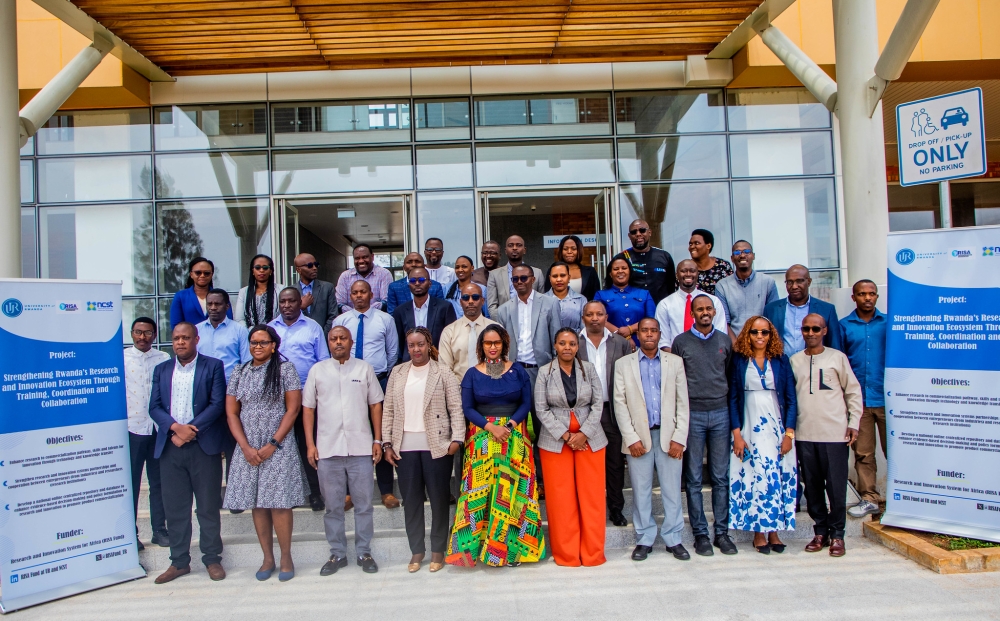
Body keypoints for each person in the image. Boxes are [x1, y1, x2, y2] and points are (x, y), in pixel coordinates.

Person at [446, 325, 546, 566]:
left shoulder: (518, 371)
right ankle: (475, 552)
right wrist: (491, 427)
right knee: (478, 493)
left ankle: (513, 553)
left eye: (497, 342)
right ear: (481, 346)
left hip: (514, 438)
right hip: (482, 439)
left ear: (504, 344)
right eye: (488, 343)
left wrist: (508, 426)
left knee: (515, 494)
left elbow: (526, 403)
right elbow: (467, 408)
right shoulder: (472, 374)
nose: (492, 347)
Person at [223, 325, 306, 582]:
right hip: (248, 446)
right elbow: (232, 412)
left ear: (273, 345)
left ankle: (286, 557)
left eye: (263, 342)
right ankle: (267, 558)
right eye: (253, 342)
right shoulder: (239, 371)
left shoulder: (285, 369)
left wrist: (273, 443)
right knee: (258, 503)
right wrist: (245, 447)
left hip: (278, 445)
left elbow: (293, 409)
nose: (257, 346)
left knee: (279, 503)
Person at [148, 323, 228, 584]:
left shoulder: (212, 366)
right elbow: (154, 407)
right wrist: (175, 428)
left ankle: (212, 558)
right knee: (175, 509)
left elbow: (217, 404)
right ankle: (179, 562)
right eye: (176, 338)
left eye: (185, 338)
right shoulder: (161, 370)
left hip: (203, 447)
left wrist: (190, 430)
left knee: (207, 506)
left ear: (196, 339)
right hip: (171, 447)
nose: (180, 342)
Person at [302, 326, 385, 575]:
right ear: (328, 342)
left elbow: (375, 405)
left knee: (364, 505)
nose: (338, 342)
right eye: (333, 339)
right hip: (327, 449)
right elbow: (308, 409)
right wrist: (310, 444)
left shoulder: (364, 368)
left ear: (351, 342)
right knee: (333, 507)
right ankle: (337, 554)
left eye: (343, 338)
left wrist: (377, 440)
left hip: (361, 447)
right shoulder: (317, 370)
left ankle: (364, 552)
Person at [381, 327, 465, 573]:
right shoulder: (397, 372)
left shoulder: (443, 372)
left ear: (429, 345)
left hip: (437, 446)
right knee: (412, 502)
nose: (416, 349)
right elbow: (388, 410)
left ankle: (438, 550)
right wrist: (387, 443)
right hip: (404, 447)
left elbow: (456, 408)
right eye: (411, 345)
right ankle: (417, 551)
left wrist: (457, 439)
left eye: (420, 344)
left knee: (439, 500)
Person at [613, 317, 690, 562]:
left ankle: (673, 538)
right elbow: (620, 404)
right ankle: (644, 538)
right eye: (644, 330)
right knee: (641, 491)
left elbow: (682, 402)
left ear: (659, 334)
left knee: (672, 491)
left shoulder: (674, 362)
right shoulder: (623, 364)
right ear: (638, 335)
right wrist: (631, 438)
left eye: (653, 330)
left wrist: (679, 438)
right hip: (639, 439)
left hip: (669, 437)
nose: (648, 334)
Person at [790, 314, 863, 558]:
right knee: (812, 488)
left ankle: (838, 534)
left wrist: (853, 423)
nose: (810, 333)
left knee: (836, 487)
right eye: (806, 329)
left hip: (835, 434)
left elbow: (853, 392)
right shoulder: (794, 361)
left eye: (815, 329)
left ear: (824, 331)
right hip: (805, 434)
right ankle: (820, 531)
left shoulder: (837, 358)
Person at [670, 295, 737, 556]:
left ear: (714, 312)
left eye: (709, 308)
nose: (705, 312)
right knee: (694, 478)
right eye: (700, 309)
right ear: (692, 313)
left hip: (721, 413)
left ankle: (721, 533)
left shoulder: (724, 340)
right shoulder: (680, 342)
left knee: (720, 477)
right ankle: (700, 534)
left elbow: (728, 374)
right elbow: (677, 380)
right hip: (693, 414)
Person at [534, 328, 607, 567]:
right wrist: (566, 435)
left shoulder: (589, 369)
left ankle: (593, 554)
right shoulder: (545, 372)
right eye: (563, 343)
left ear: (577, 346)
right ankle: (567, 555)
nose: (567, 347)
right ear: (555, 346)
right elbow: (541, 408)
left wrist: (584, 434)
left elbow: (598, 404)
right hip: (555, 441)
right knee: (561, 499)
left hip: (590, 438)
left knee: (592, 497)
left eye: (572, 344)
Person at [728, 316, 798, 554]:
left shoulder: (780, 360)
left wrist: (789, 434)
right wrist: (737, 434)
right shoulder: (739, 360)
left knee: (776, 478)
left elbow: (791, 398)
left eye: (764, 332)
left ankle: (774, 531)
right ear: (747, 334)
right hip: (749, 429)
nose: (760, 336)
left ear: (771, 335)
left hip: (776, 429)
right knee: (754, 477)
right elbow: (733, 398)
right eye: (755, 332)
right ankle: (759, 533)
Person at [332, 280, 400, 508]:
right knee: (351, 434)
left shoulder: (385, 319)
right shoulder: (341, 321)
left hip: (378, 380)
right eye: (355, 292)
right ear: (350, 296)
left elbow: (392, 352)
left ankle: (386, 491)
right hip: (348, 381)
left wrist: (381, 375)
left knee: (381, 434)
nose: (359, 296)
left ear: (371, 294)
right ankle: (349, 493)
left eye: (363, 292)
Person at [495, 263, 562, 486]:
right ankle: (523, 478)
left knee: (544, 425)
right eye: (515, 279)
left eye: (524, 278)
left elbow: (557, 341)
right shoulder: (504, 309)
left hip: (541, 371)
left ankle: (546, 478)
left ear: (533, 279)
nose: (519, 282)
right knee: (517, 426)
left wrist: (554, 373)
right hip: (514, 373)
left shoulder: (550, 303)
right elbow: (501, 348)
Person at [266, 287, 330, 512]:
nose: (286, 305)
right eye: (282, 301)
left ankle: (315, 492)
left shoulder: (313, 327)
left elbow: (323, 362)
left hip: (306, 398)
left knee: (307, 444)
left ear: (299, 302)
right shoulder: (270, 329)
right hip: (277, 398)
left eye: (291, 301)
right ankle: (286, 493)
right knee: (281, 447)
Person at [438, 282, 500, 499]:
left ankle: (489, 498)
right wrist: (457, 398)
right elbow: (445, 370)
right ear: (460, 301)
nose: (470, 302)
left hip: (490, 399)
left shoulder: (495, 328)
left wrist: (491, 392)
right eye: (466, 297)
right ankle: (462, 499)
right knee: (461, 449)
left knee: (490, 447)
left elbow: (500, 363)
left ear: (483, 300)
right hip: (459, 398)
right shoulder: (450, 331)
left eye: (475, 297)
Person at [576, 300, 633, 527]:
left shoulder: (620, 343)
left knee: (615, 463)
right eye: (590, 314)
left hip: (612, 411)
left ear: (606, 317)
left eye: (599, 314)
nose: (595, 318)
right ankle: (590, 509)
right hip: (585, 412)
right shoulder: (574, 342)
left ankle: (616, 509)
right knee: (587, 464)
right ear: (583, 317)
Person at [841, 280, 887, 519]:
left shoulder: (889, 323)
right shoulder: (844, 326)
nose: (867, 298)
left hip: (888, 400)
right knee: (864, 454)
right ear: (854, 297)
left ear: (877, 296)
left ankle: (903, 498)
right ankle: (870, 498)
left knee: (896, 452)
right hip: (859, 401)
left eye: (871, 294)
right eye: (862, 294)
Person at [124, 317, 171, 551]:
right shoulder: (121, 359)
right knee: (131, 484)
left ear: (155, 334)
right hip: (132, 429)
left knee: (159, 483)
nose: (142, 337)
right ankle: (130, 533)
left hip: (157, 429)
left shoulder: (164, 358)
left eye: (147, 332)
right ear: (132, 333)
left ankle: (159, 530)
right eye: (138, 332)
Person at [763, 264, 843, 356]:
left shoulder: (827, 310)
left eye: (799, 281)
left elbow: (835, 346)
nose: (794, 286)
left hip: (815, 363)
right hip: (781, 363)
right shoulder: (771, 309)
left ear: (809, 282)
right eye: (790, 282)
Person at [655, 259, 727, 351]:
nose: (688, 274)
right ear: (677, 275)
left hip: (710, 354)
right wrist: (677, 358)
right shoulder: (665, 304)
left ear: (697, 274)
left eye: (692, 271)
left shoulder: (713, 301)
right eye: (683, 271)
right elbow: (663, 341)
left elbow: (721, 334)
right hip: (675, 356)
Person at [715, 241, 779, 338]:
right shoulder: (722, 286)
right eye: (737, 252)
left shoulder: (768, 282)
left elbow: (773, 318)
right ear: (732, 258)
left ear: (753, 256)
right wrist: (735, 345)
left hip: (762, 341)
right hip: (735, 342)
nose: (742, 255)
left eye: (747, 251)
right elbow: (724, 322)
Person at [392, 266, 456, 363]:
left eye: (421, 280)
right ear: (409, 285)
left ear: (430, 283)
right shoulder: (400, 311)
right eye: (413, 280)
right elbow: (400, 341)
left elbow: (451, 337)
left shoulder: (445, 307)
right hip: (410, 363)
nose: (417, 283)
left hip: (438, 361)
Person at [609, 218, 676, 304]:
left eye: (642, 230)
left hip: (660, 308)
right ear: (629, 236)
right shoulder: (621, 258)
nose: (638, 234)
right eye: (634, 232)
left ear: (649, 232)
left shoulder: (664, 256)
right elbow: (611, 286)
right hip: (632, 307)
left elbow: (671, 286)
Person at [593, 257, 655, 346]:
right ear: (610, 274)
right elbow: (597, 319)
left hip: (641, 344)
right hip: (611, 344)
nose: (620, 271)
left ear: (630, 272)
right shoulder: (600, 295)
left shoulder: (644, 294)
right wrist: (622, 335)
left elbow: (651, 320)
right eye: (616, 269)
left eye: (624, 268)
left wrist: (630, 329)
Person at [196, 289, 251, 382]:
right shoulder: (196, 330)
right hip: (202, 384)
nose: (213, 307)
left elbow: (247, 363)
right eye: (209, 304)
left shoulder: (240, 330)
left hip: (230, 385)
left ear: (227, 306)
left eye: (217, 304)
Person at [486, 235, 544, 315]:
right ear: (505, 251)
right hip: (504, 320)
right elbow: (492, 307)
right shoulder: (494, 275)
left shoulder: (537, 273)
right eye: (510, 245)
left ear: (524, 250)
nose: (514, 248)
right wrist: (502, 322)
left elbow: (542, 302)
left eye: (518, 245)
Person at [170, 257, 230, 328]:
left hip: (219, 334)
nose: (202, 275)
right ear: (191, 274)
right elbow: (176, 326)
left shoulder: (221, 296)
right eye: (198, 273)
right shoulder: (180, 296)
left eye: (206, 273)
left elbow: (229, 321)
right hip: (190, 335)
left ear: (212, 274)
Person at [336, 243, 393, 312]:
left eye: (365, 257)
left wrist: (366, 312)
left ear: (372, 257)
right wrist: (355, 314)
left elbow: (386, 301)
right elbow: (339, 303)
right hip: (350, 317)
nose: (361, 261)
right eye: (357, 258)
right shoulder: (345, 276)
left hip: (377, 316)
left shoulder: (384, 274)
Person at [235, 254, 285, 329]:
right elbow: (239, 319)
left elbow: (284, 316)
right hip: (250, 333)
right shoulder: (244, 292)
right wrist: (251, 332)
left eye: (265, 267)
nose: (261, 270)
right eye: (257, 267)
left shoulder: (281, 289)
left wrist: (269, 332)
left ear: (271, 271)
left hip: (275, 331)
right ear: (253, 271)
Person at [543, 235, 601, 300]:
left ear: (579, 250)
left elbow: (596, 296)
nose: (569, 252)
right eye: (565, 249)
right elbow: (547, 294)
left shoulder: (590, 272)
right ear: (561, 251)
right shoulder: (553, 270)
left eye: (573, 249)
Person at [294, 253, 339, 334]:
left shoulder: (327, 288)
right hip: (298, 336)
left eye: (316, 264)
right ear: (298, 270)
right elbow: (287, 316)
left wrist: (322, 336)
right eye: (310, 265)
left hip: (322, 336)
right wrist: (301, 307)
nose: (314, 268)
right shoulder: (291, 291)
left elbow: (333, 315)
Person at [686, 229, 733, 296]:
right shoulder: (685, 269)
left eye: (696, 243)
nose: (692, 247)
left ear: (708, 246)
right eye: (690, 244)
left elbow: (732, 291)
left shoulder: (723, 266)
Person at [545, 261, 587, 332]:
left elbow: (584, 329)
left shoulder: (581, 300)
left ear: (569, 277)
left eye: (562, 275)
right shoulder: (542, 300)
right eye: (555, 276)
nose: (559, 279)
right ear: (550, 278)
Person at [444, 255, 489, 319]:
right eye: (457, 267)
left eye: (464, 267)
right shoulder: (447, 288)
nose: (460, 270)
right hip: (452, 324)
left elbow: (487, 315)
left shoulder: (481, 289)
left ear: (472, 268)